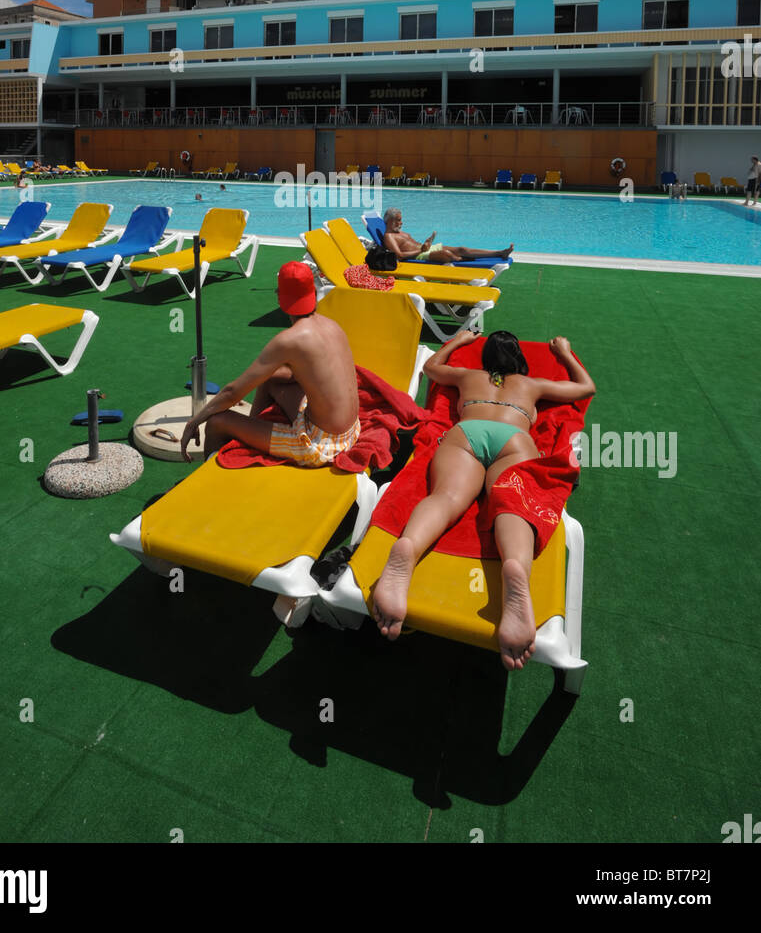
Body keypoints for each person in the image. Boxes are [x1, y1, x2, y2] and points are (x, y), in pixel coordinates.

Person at [371, 328, 595, 670]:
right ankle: (515, 568)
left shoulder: (468, 375)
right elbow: (585, 388)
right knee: (512, 505)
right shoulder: (531, 385)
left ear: (485, 359)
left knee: (445, 497)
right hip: (514, 439)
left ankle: (408, 548)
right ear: (518, 360)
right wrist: (565, 352)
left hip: (467, 433)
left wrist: (459, 342)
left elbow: (431, 368)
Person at [179, 261, 361, 466]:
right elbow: (302, 373)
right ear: (313, 292)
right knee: (270, 378)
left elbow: (231, 393)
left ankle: (209, 483)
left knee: (215, 422)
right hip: (351, 432)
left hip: (318, 445)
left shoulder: (290, 339)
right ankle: (253, 433)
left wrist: (193, 422)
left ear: (279, 296)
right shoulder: (331, 324)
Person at [382, 207, 513, 265]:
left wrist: (426, 243)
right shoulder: (389, 237)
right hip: (420, 255)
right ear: (389, 221)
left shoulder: (401, 233)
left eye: (400, 219)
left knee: (462, 249)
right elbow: (398, 255)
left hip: (425, 250)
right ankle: (465, 261)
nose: (401, 222)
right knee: (447, 254)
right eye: (398, 220)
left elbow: (414, 245)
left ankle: (500, 253)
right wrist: (420, 250)